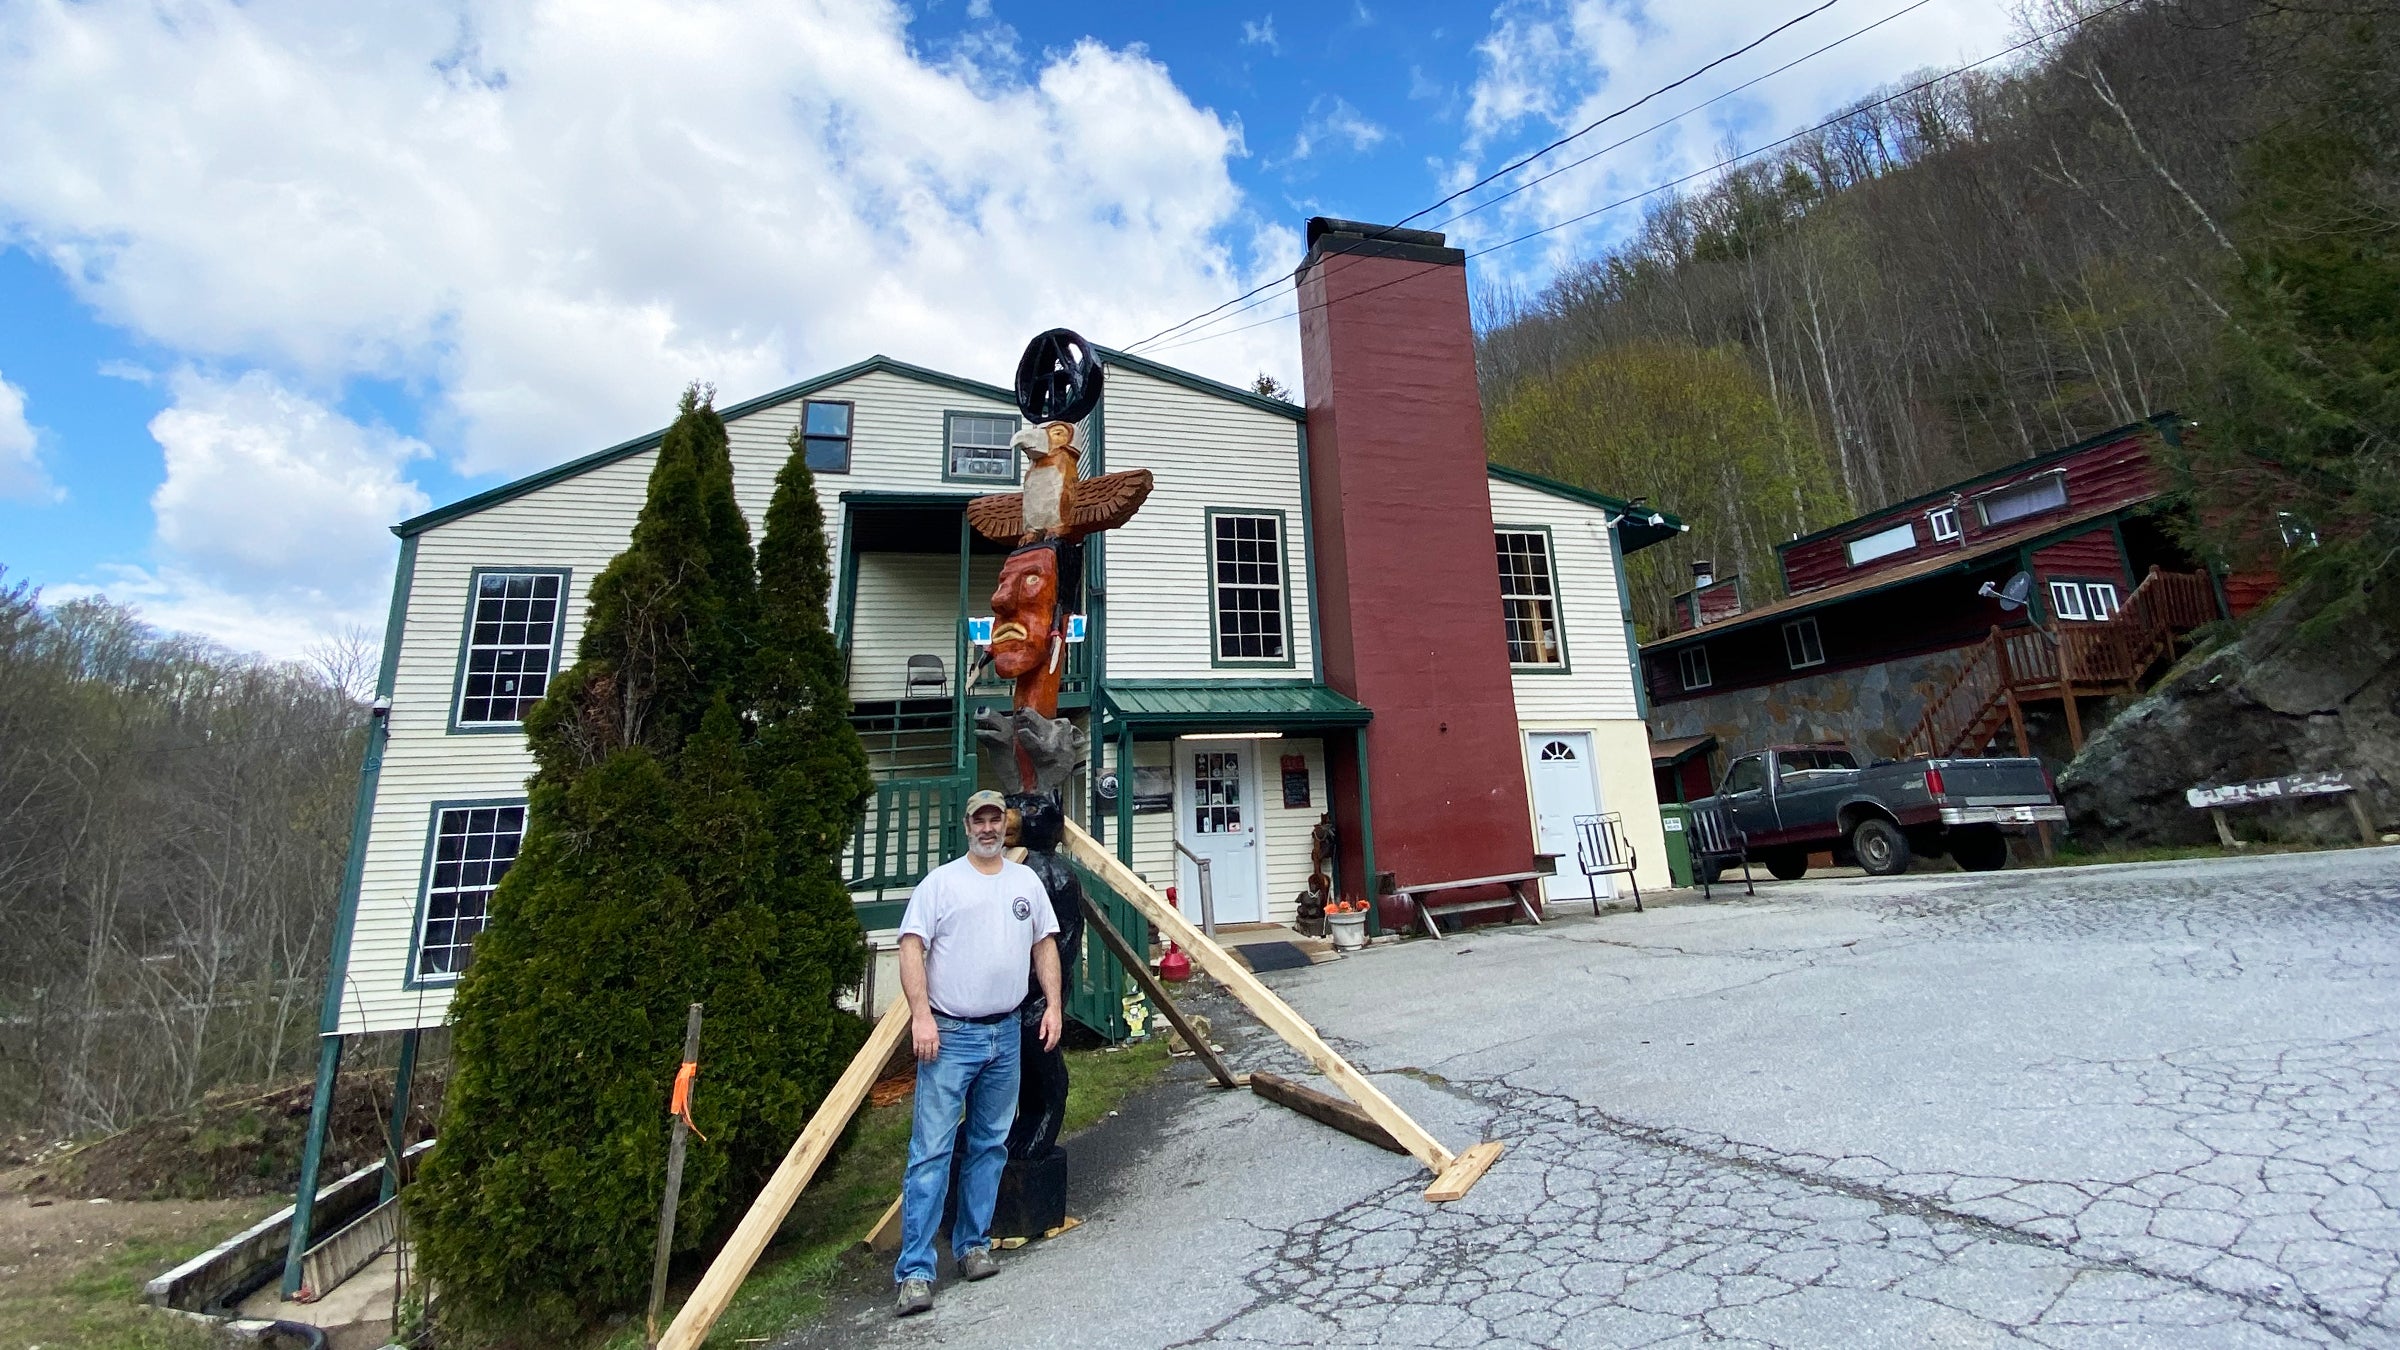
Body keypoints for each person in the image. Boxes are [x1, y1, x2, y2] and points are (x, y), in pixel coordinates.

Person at [892, 789, 1062, 1318]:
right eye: (980, 820)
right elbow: (910, 945)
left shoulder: (1026, 882)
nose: (988, 828)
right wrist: (921, 1017)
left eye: (996, 819)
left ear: (1005, 825)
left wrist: (1053, 1004)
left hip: (1005, 1033)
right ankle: (915, 1273)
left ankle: (972, 1245)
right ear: (967, 825)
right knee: (932, 1153)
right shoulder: (941, 884)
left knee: (990, 1145)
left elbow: (1045, 943)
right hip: (950, 1035)